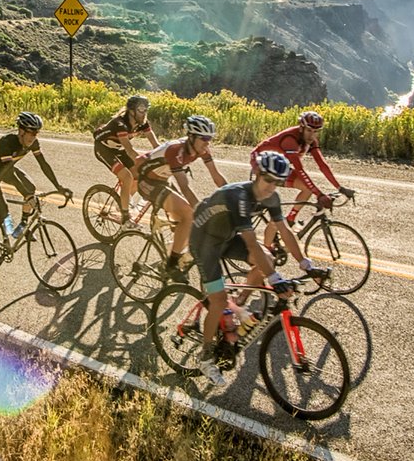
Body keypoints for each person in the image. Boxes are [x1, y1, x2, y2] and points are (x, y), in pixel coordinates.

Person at [189, 151, 324, 385]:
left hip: (227, 237)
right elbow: (251, 242)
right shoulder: (239, 196)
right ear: (257, 175)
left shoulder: (272, 198)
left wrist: (305, 263)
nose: (272, 187)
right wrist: (274, 279)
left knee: (268, 259)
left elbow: (284, 230)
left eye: (278, 182)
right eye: (268, 180)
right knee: (219, 299)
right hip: (205, 241)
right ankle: (205, 356)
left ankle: (239, 303)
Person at [134, 115, 227, 281]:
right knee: (189, 214)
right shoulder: (176, 150)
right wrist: (202, 211)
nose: (208, 143)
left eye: (210, 139)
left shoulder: (202, 149)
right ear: (191, 137)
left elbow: (216, 176)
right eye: (204, 139)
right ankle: (171, 264)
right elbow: (184, 187)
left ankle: (171, 252)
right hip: (147, 181)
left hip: (163, 179)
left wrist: (232, 197)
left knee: (187, 221)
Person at [0, 112, 72, 264]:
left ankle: (23, 226)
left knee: (30, 188)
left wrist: (58, 186)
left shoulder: (33, 142)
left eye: (36, 133)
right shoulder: (8, 142)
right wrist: (26, 195)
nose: (33, 137)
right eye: (31, 133)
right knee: (3, 211)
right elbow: (8, 173)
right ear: (21, 131)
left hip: (7, 169)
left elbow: (43, 164)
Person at [251, 111, 355, 249]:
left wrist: (340, 188)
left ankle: (291, 218)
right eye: (309, 130)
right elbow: (300, 170)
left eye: (316, 132)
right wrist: (320, 194)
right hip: (262, 166)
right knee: (276, 214)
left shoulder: (310, 141)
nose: (312, 135)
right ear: (301, 128)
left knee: (306, 189)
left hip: (279, 166)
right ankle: (265, 255)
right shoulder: (290, 140)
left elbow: (322, 165)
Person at [92, 94, 159, 227]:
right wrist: (146, 163)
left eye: (146, 110)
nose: (144, 113)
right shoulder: (120, 124)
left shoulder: (143, 123)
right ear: (132, 111)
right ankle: (125, 218)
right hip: (103, 149)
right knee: (127, 177)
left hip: (118, 148)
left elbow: (156, 144)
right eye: (141, 110)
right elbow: (129, 150)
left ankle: (123, 200)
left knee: (139, 174)